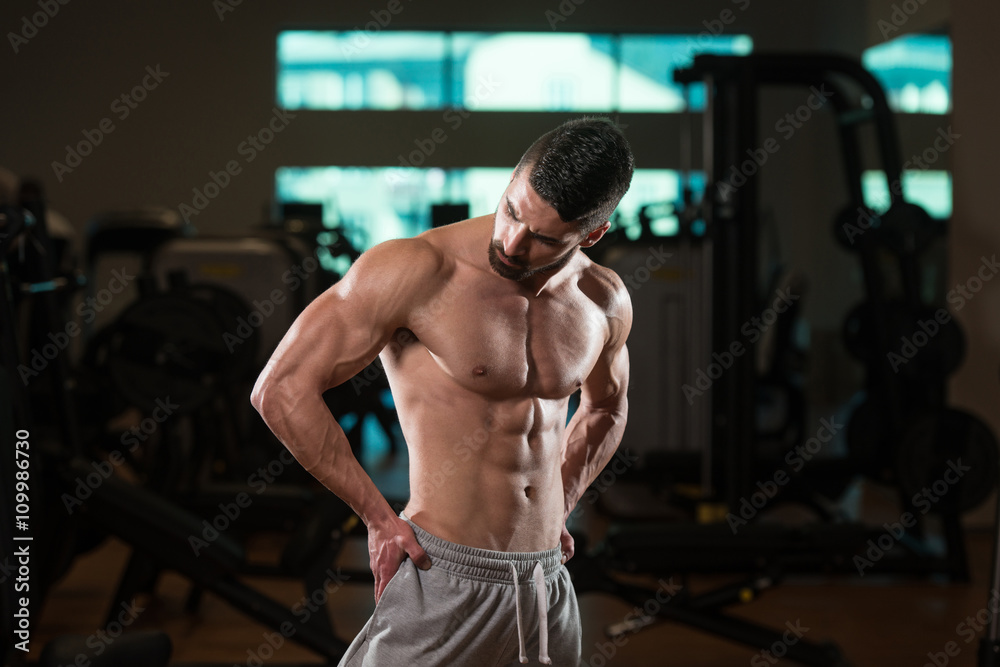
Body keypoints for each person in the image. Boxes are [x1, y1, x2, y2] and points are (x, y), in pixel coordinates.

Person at [251, 117, 634, 666]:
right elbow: (281, 389)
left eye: (544, 237)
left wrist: (563, 501)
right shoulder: (416, 269)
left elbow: (606, 406)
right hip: (443, 572)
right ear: (510, 182)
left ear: (592, 234)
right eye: (511, 209)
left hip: (547, 583)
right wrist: (378, 518)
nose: (511, 241)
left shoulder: (602, 297)